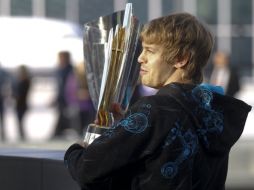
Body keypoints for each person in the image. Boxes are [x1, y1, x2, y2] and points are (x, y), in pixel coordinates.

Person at [64, 13, 251, 190]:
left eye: (149, 51)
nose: (140, 58)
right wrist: (125, 125)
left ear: (181, 59)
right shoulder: (216, 113)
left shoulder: (154, 110)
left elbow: (86, 170)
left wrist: (78, 149)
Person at [13, 65, 31, 140]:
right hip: (19, 104)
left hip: (22, 104)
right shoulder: (21, 81)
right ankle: (21, 136)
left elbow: (21, 93)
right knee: (19, 122)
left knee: (20, 121)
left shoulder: (26, 81)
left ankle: (22, 136)